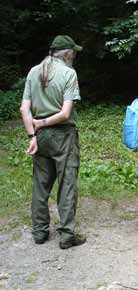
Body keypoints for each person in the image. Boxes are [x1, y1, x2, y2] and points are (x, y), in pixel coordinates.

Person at [19, 35, 86, 249]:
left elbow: (24, 109)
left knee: (41, 184)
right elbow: (65, 114)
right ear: (67, 53)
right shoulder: (69, 73)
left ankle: (39, 232)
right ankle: (67, 235)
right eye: (73, 52)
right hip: (63, 136)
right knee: (66, 184)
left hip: (40, 137)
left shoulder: (33, 71)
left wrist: (33, 134)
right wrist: (44, 122)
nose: (74, 55)